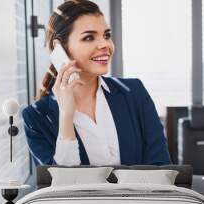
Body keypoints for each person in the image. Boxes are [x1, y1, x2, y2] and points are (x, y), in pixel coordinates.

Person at [22, 0, 171, 166]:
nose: (105, 44)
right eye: (89, 37)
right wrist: (66, 116)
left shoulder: (134, 91)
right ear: (59, 47)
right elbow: (60, 187)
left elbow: (161, 168)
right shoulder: (36, 117)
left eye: (106, 35)